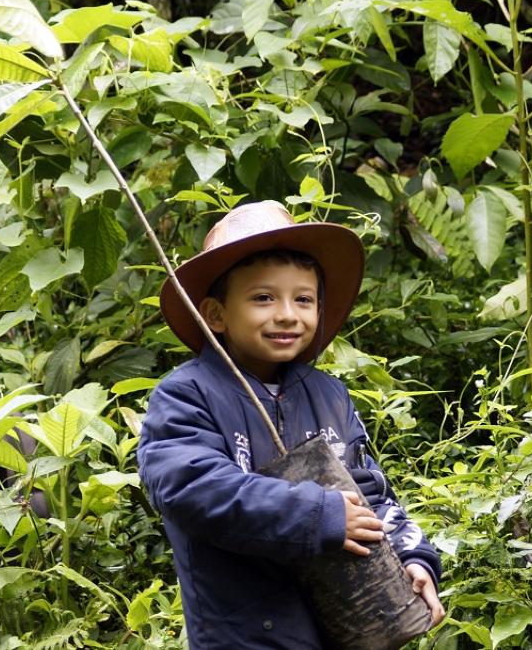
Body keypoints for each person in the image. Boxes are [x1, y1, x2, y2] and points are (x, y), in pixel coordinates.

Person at [137, 201, 445, 648]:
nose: (287, 314)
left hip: (340, 630)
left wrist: (411, 557)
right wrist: (317, 514)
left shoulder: (329, 395)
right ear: (216, 314)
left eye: (303, 299)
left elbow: (370, 493)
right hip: (245, 638)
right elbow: (192, 488)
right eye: (263, 298)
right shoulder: (187, 394)